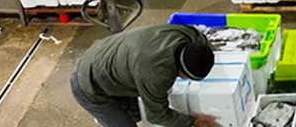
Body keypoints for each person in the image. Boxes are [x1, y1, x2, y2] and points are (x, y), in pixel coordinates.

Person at [72, 24, 218, 127]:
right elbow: (156, 115)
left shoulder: (186, 34)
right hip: (89, 84)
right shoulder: (156, 74)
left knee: (137, 112)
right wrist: (193, 121)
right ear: (182, 72)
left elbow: (204, 45)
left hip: (110, 55)